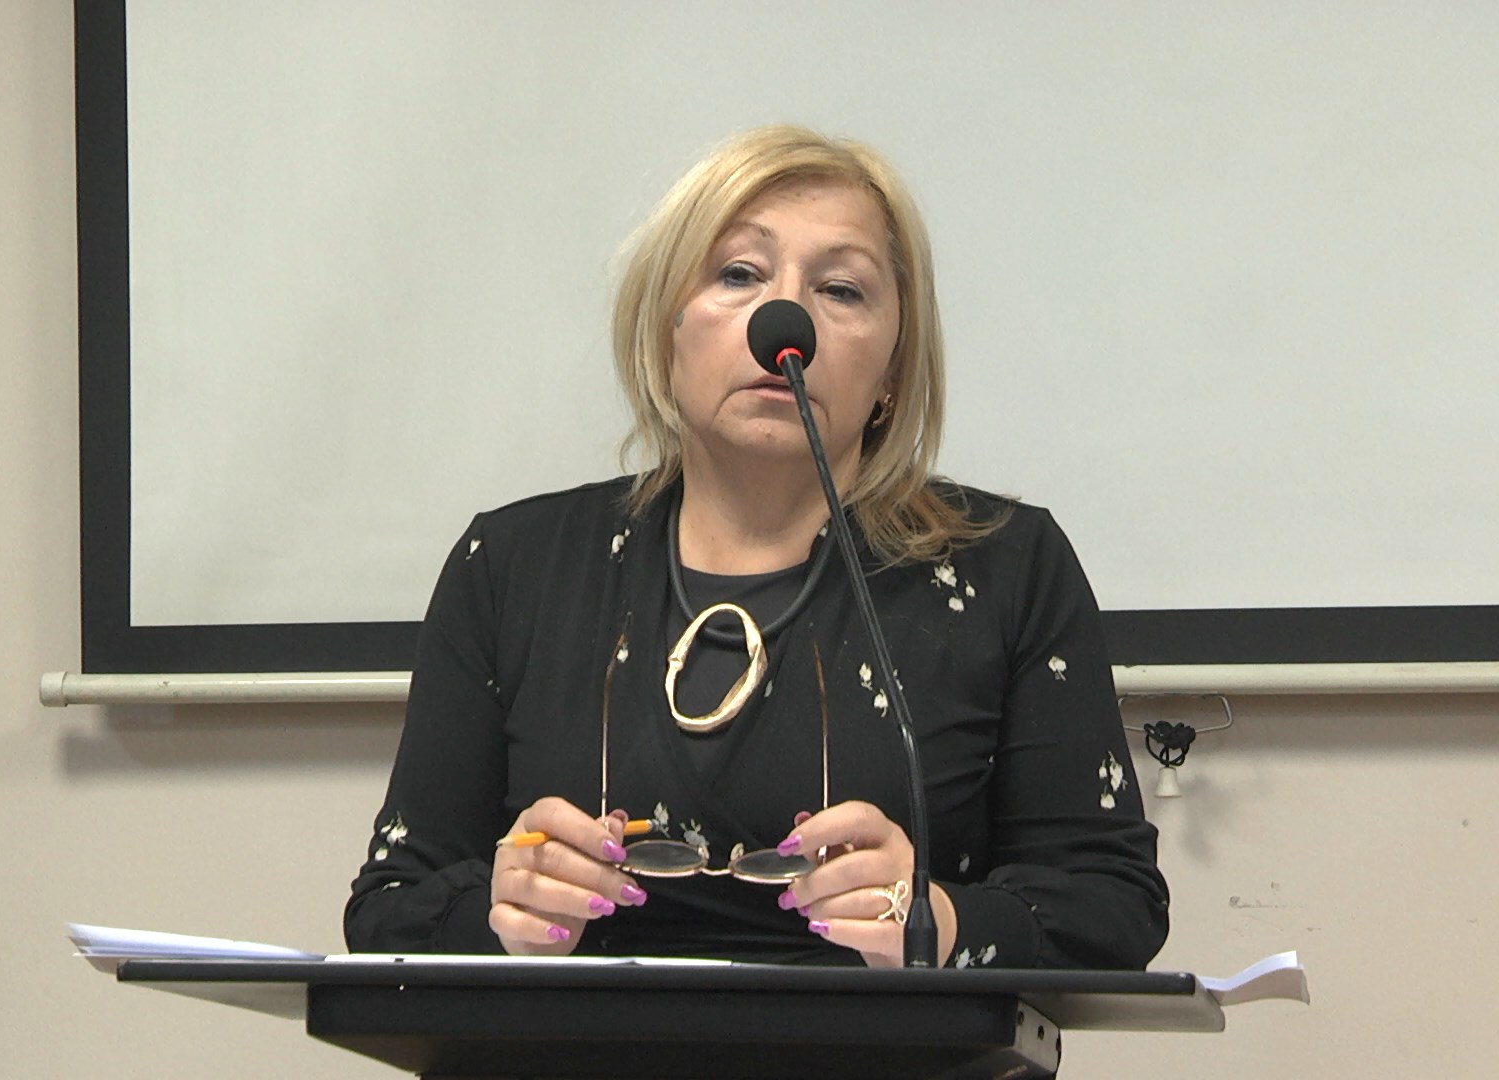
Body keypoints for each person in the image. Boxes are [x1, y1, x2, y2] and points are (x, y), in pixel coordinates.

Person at [344, 125, 1168, 969]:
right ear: (664, 331)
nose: (787, 320)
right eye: (739, 273)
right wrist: (505, 915)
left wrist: (942, 921)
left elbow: (1112, 907)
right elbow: (390, 910)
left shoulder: (1008, 568)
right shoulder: (513, 566)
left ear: (891, 371)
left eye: (841, 289)